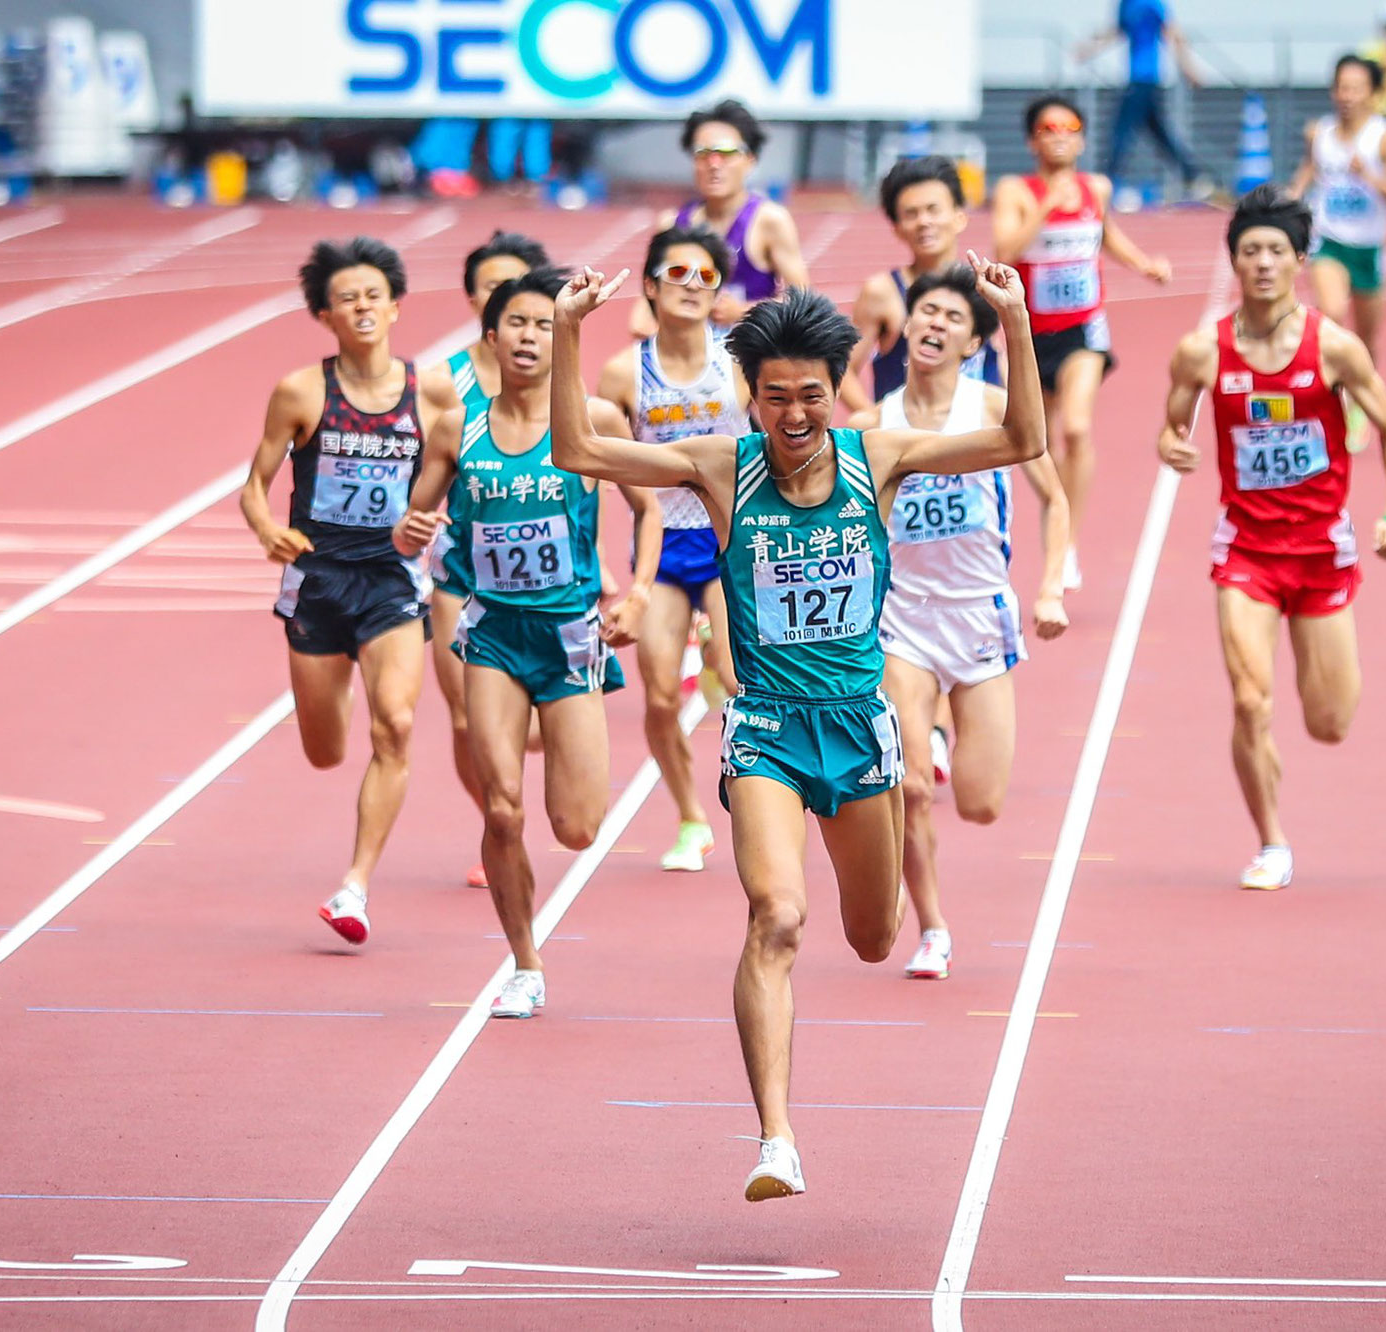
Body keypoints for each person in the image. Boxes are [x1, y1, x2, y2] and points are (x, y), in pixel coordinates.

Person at [548, 257, 1045, 1201]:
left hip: (859, 729)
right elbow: (579, 449)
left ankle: (884, 918)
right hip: (767, 729)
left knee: (870, 936)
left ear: (836, 391)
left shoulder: (877, 456)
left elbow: (1023, 434)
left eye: (810, 395)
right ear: (752, 396)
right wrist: (572, 328)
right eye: (774, 397)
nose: (793, 415)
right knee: (776, 916)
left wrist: (1013, 315)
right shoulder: (719, 465)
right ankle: (776, 1139)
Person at [394, 269, 660, 1019]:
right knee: (503, 810)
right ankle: (525, 962)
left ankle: (557, 749)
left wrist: (638, 591)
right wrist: (409, 533)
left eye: (545, 325)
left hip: (571, 635)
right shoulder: (457, 426)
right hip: (493, 634)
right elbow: (413, 519)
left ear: (563, 339)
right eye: (517, 323)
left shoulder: (596, 420)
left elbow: (653, 511)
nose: (529, 336)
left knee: (576, 827)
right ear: (490, 335)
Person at [1154, 188, 1386, 891]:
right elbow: (1170, 425)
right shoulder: (1203, 350)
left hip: (1323, 552)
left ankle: (1312, 719)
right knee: (1249, 700)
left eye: (1275, 251)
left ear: (1299, 260)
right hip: (1245, 554)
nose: (1262, 263)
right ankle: (1270, 843)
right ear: (1233, 260)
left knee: (1329, 723)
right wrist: (1171, 446)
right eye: (1249, 251)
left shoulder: (1335, 346)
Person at [847, 267, 1070, 981]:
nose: (934, 323)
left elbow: (1054, 502)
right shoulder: (873, 425)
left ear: (973, 340)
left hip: (980, 616)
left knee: (978, 803)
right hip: (901, 621)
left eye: (951, 316)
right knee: (910, 786)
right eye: (925, 311)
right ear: (906, 327)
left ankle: (943, 730)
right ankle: (933, 926)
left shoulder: (993, 407)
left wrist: (1049, 588)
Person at [239, 236, 461, 945]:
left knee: (394, 724)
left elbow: (454, 476)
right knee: (326, 750)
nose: (362, 307)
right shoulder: (302, 391)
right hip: (318, 578)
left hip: (393, 579)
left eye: (373, 295)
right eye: (346, 299)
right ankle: (329, 689)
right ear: (325, 314)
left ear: (395, 305)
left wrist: (435, 513)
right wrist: (268, 527)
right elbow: (252, 487)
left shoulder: (432, 391)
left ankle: (354, 886)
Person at [593, 226, 752, 872]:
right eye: (677, 274)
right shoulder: (623, 371)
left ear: (718, 291)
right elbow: (598, 460)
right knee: (659, 695)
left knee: (737, 673)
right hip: (662, 541)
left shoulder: (739, 361)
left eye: (705, 276)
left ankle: (722, 682)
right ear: (651, 288)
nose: (691, 286)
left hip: (727, 537)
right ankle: (691, 818)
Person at [993, 95, 1171, 592]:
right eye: (1048, 128)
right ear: (1032, 140)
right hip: (1030, 336)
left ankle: (1066, 540)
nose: (1059, 135)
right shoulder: (1016, 190)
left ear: (1082, 137)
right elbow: (1004, 250)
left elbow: (1105, 234)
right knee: (1034, 444)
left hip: (1083, 332)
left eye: (1070, 127)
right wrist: (1047, 204)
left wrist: (1144, 265)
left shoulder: (1097, 187)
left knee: (1076, 429)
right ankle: (1055, 510)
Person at [430, 230, 552, 889]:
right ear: (478, 300)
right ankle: (496, 824)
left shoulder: (554, 377)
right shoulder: (441, 382)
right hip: (458, 574)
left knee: (530, 730)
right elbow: (415, 471)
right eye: (492, 287)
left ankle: (525, 743)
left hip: (544, 590)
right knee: (461, 716)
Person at [1286, 54, 1386, 450]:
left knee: (1367, 341)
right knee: (1332, 313)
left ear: (1372, 94)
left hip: (1369, 249)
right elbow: (1307, 170)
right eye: (1342, 87)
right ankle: (1331, 404)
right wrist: (1289, 198)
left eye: (1356, 88)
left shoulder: (1385, 138)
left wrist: (1369, 175)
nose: (1347, 96)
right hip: (1330, 241)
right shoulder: (1319, 133)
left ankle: (1358, 405)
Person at [841, 155, 1004, 417]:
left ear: (959, 216)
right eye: (911, 213)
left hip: (977, 445)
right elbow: (842, 370)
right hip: (912, 447)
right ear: (896, 227)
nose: (924, 221)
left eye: (933, 209)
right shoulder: (882, 292)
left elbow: (994, 360)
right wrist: (878, 421)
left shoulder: (982, 285)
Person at [632, 98, 808, 337]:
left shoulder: (769, 221)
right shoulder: (672, 225)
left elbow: (804, 301)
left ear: (750, 159)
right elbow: (640, 321)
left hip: (748, 357)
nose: (714, 164)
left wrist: (744, 313)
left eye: (726, 152)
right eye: (703, 153)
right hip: (690, 361)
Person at [1078, 0, 1216, 210]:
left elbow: (1173, 34)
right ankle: (1196, 177)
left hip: (1147, 79)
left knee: (1120, 133)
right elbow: (1118, 31)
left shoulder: (1153, 3)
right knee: (1159, 133)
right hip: (1135, 79)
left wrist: (1189, 69)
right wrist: (1090, 48)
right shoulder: (1125, 5)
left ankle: (1108, 184)